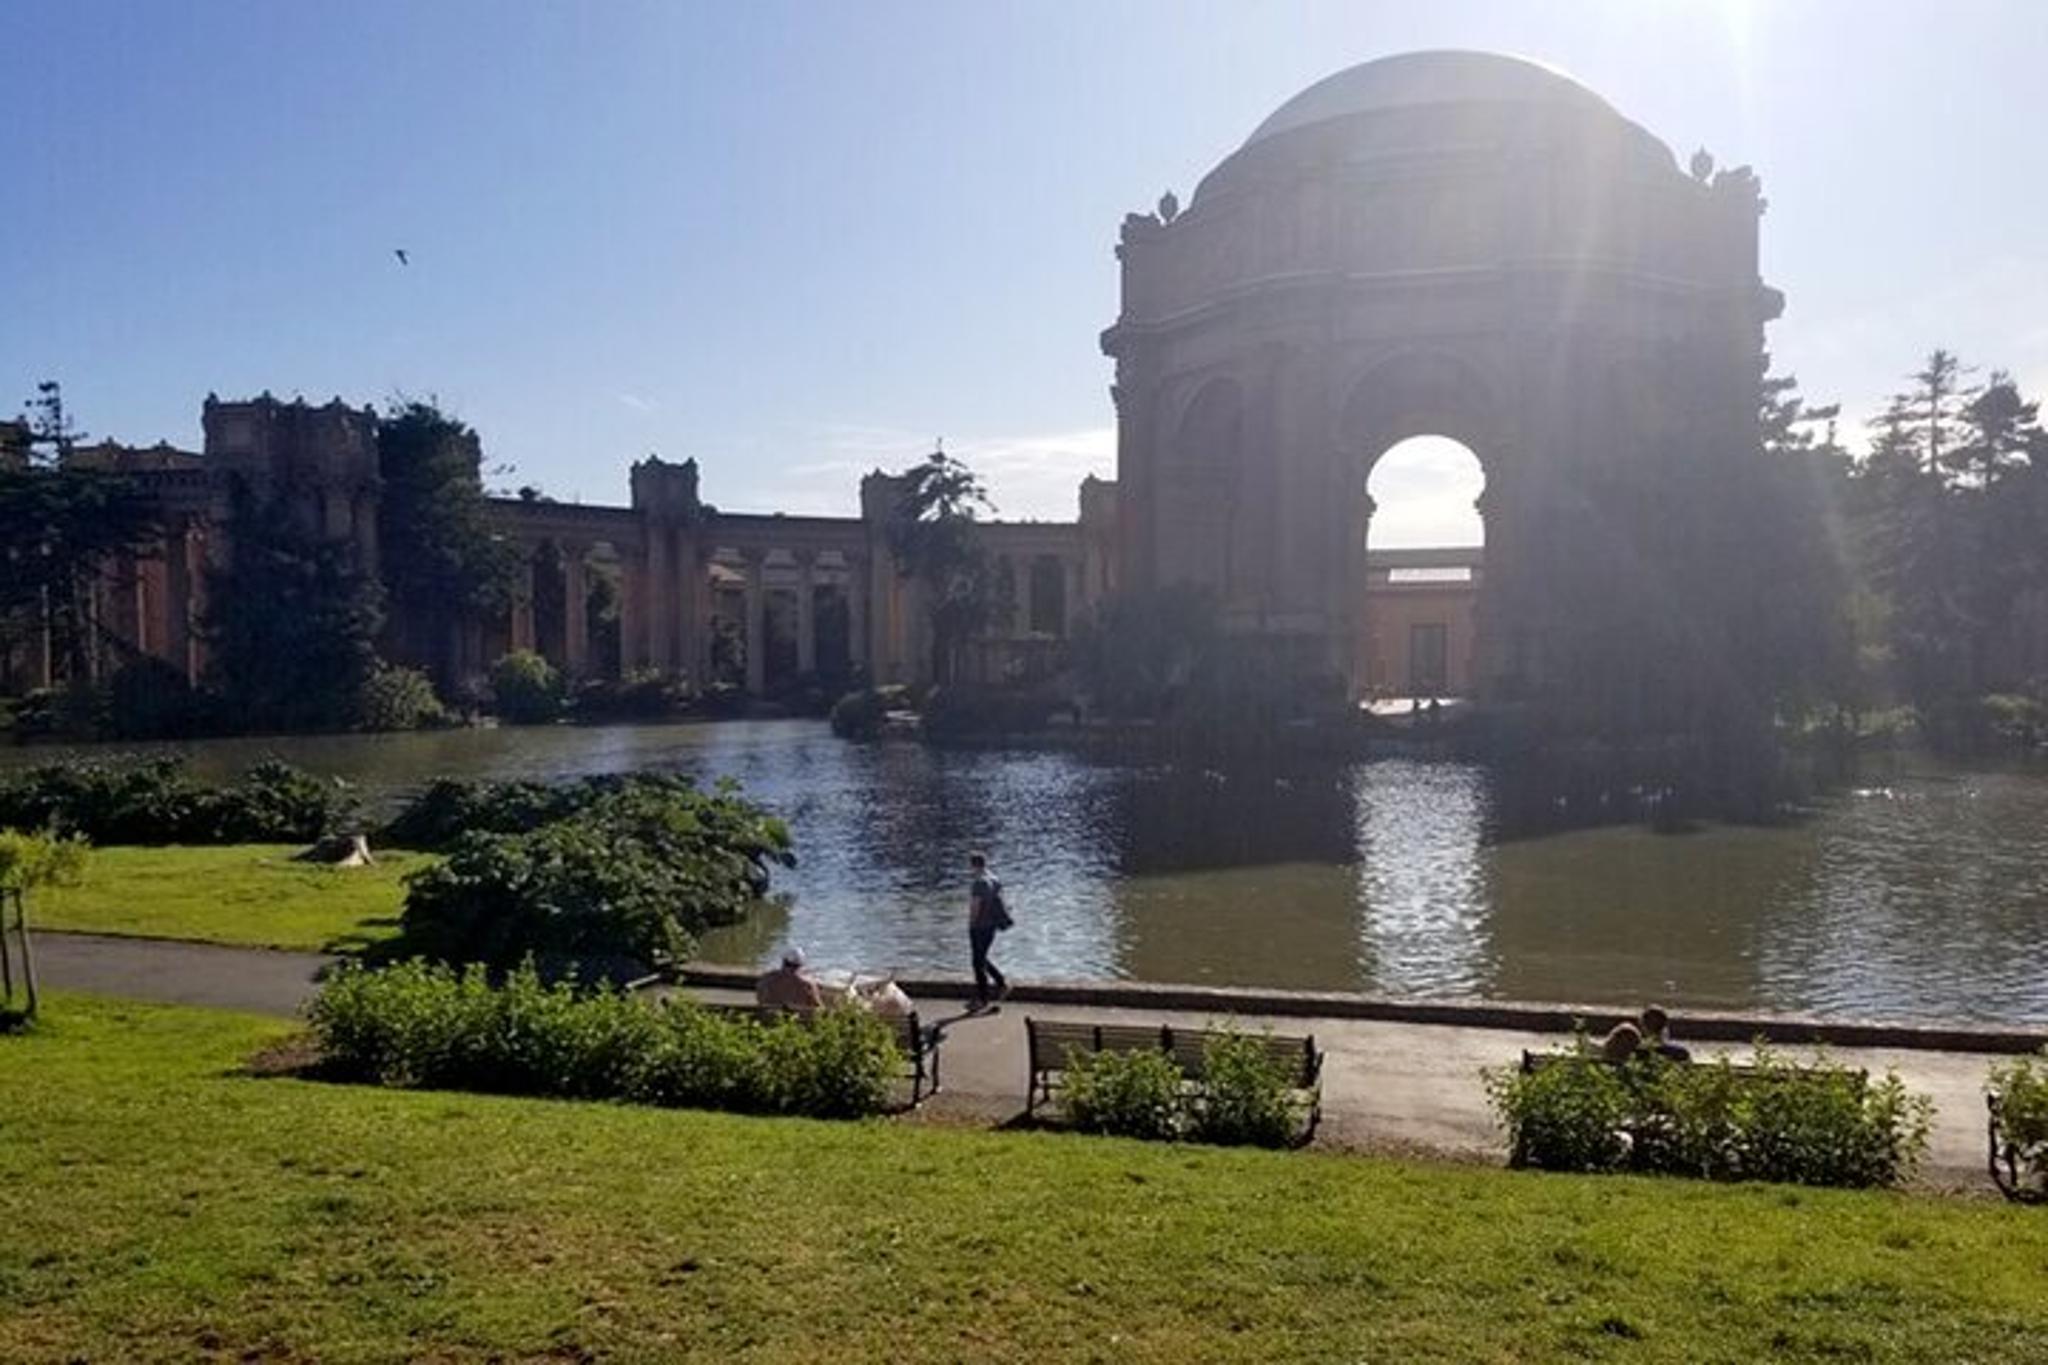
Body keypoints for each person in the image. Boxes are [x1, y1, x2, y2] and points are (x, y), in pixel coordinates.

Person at [967, 851, 1010, 1009]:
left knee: (977, 963)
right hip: (991, 926)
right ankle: (1001, 983)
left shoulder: (978, 883)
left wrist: (971, 924)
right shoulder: (995, 879)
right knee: (982, 958)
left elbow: (975, 906)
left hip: (979, 926)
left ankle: (982, 999)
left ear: (973, 865)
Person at [755, 947, 823, 1013]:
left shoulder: (767, 979)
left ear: (784, 961)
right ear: (801, 964)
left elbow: (760, 999)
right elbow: (819, 1008)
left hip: (768, 1019)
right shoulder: (807, 984)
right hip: (798, 1022)